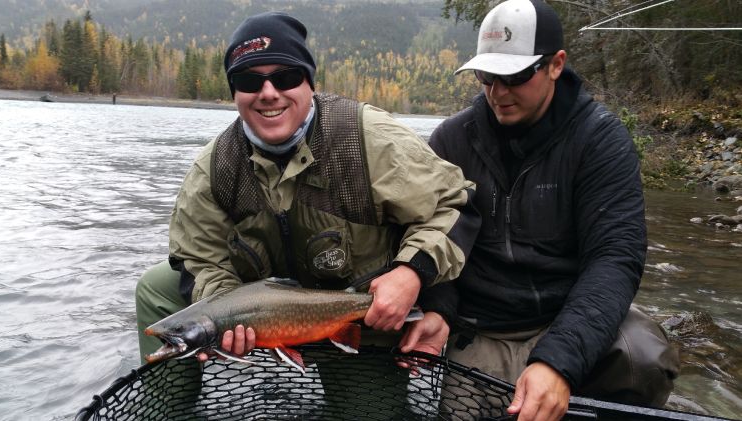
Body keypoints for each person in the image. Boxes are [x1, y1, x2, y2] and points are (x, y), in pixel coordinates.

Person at [134, 11, 479, 417]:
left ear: (309, 83)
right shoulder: (215, 167)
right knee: (157, 287)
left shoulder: (369, 139)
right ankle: (164, 411)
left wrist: (412, 273)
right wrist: (223, 318)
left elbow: (455, 205)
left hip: (362, 311)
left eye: (284, 78)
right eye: (249, 81)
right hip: (265, 307)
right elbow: (198, 258)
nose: (268, 92)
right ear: (235, 93)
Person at [403, 0, 680, 420]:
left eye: (514, 76)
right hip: (483, 326)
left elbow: (615, 259)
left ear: (555, 65)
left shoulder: (599, 141)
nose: (498, 91)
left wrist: (558, 360)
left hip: (566, 314)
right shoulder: (451, 141)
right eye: (486, 75)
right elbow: (428, 234)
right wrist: (440, 308)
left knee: (644, 357)